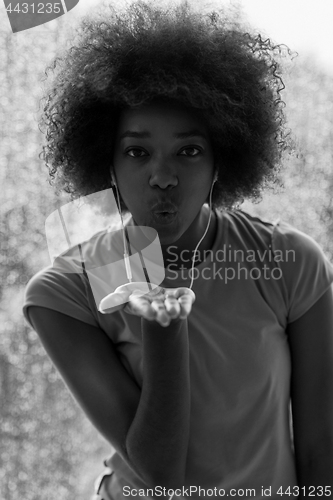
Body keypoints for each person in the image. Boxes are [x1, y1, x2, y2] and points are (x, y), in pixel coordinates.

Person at [22, 1, 333, 499]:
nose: (162, 177)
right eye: (137, 152)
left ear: (220, 163)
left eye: (188, 151)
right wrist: (163, 325)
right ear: (107, 163)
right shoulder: (66, 291)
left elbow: (321, 449)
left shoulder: (289, 261)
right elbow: (160, 475)